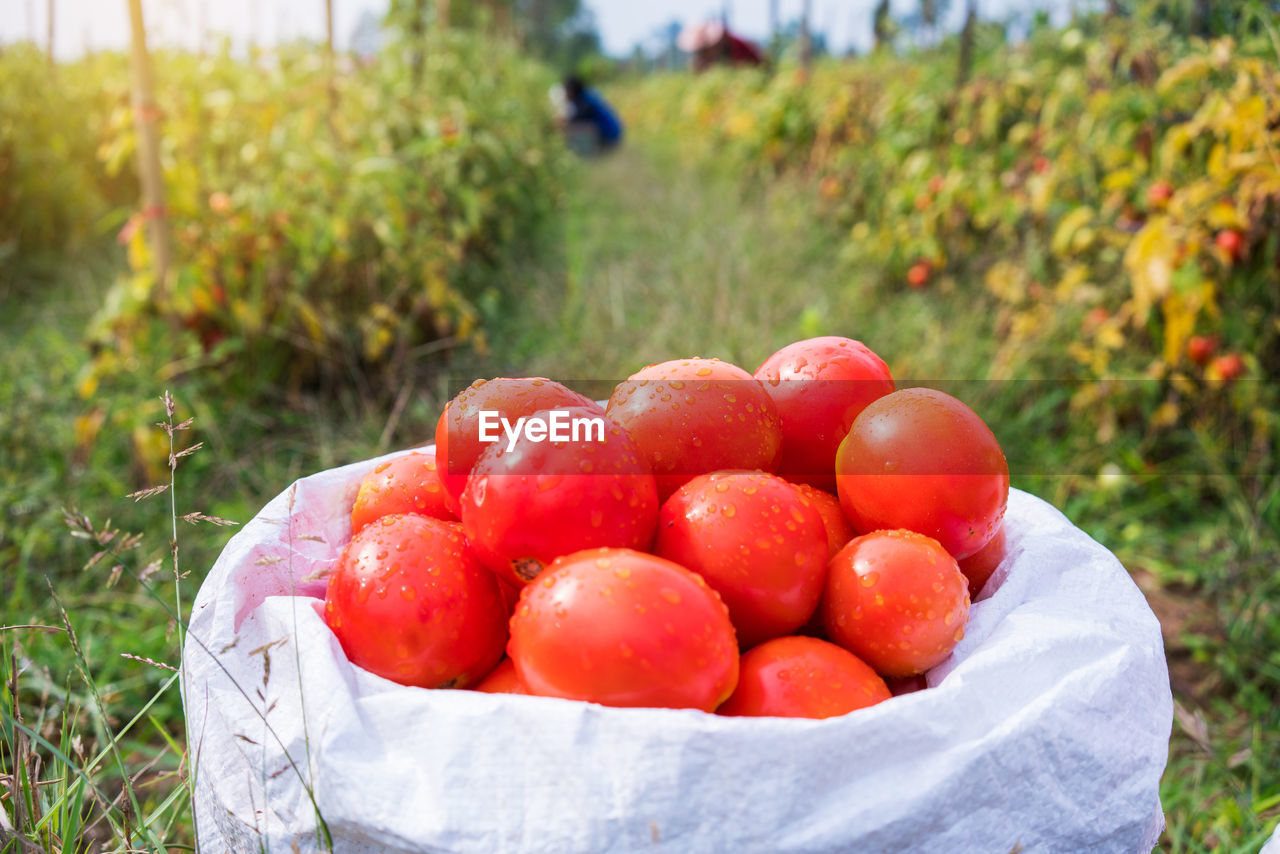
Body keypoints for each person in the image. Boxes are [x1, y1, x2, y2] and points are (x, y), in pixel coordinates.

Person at [558, 75, 623, 156]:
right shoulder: (588, 93)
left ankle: (583, 153)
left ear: (571, 89)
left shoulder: (585, 101)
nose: (565, 93)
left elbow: (575, 119)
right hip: (614, 131)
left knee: (571, 127)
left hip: (610, 136)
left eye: (566, 90)